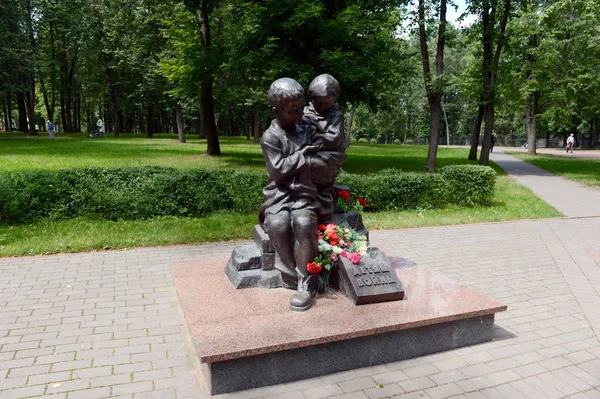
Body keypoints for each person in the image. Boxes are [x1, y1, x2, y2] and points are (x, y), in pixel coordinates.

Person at [259, 78, 322, 311]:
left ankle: (307, 281)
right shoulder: (271, 137)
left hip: (306, 192)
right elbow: (277, 171)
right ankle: (291, 274)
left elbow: (322, 151)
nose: (300, 113)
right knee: (278, 224)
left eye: (302, 107)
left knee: (304, 222)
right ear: (276, 111)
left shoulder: (306, 128)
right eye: (293, 111)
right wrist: (302, 155)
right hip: (280, 194)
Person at [302, 74, 347, 219]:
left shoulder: (336, 116)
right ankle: (308, 199)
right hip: (309, 155)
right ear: (311, 97)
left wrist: (315, 138)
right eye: (317, 102)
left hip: (330, 155)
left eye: (325, 103)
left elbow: (334, 138)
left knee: (323, 164)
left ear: (335, 98)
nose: (321, 107)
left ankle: (324, 200)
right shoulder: (304, 114)